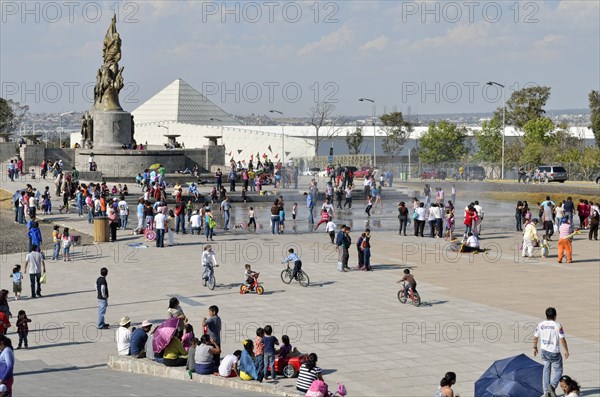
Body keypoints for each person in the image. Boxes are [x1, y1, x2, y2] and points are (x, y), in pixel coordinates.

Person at [534, 307, 570, 396]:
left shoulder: (540, 324)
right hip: (554, 352)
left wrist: (535, 347)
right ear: (555, 316)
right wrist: (566, 350)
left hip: (544, 351)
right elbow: (562, 339)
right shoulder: (558, 325)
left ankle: (546, 391)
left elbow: (535, 337)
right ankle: (552, 387)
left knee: (546, 370)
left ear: (546, 315)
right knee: (559, 370)